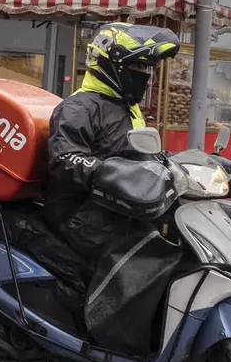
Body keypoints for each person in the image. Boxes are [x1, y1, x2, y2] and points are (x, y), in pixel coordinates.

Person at [45, 22, 177, 262]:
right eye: (137, 66)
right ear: (110, 65)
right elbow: (64, 161)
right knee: (147, 260)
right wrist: (115, 172)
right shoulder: (79, 108)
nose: (144, 75)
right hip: (82, 217)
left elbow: (136, 152)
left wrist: (176, 163)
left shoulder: (126, 107)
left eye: (147, 68)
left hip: (118, 210)